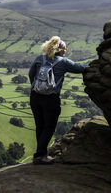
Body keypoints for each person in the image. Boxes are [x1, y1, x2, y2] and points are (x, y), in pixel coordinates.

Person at [28, 36, 87, 165]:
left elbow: (31, 73)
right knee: (49, 127)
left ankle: (41, 154)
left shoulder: (39, 58)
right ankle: (40, 155)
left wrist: (34, 87)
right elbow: (80, 68)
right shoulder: (63, 62)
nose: (65, 51)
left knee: (40, 126)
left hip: (35, 97)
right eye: (64, 49)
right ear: (59, 49)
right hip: (51, 99)